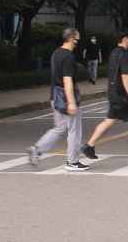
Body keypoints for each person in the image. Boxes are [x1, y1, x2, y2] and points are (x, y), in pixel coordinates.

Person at [86, 30, 128, 161]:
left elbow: (117, 74)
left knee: (110, 120)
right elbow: (124, 75)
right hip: (122, 94)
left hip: (114, 92)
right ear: (124, 38)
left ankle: (89, 145)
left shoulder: (114, 52)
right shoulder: (124, 54)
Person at [28, 27, 89, 170]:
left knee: (60, 128)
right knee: (74, 130)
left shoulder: (56, 53)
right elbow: (66, 80)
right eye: (78, 39)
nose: (79, 42)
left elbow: (59, 77)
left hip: (55, 97)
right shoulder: (69, 56)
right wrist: (72, 102)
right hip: (66, 98)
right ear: (72, 39)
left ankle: (37, 149)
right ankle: (72, 161)